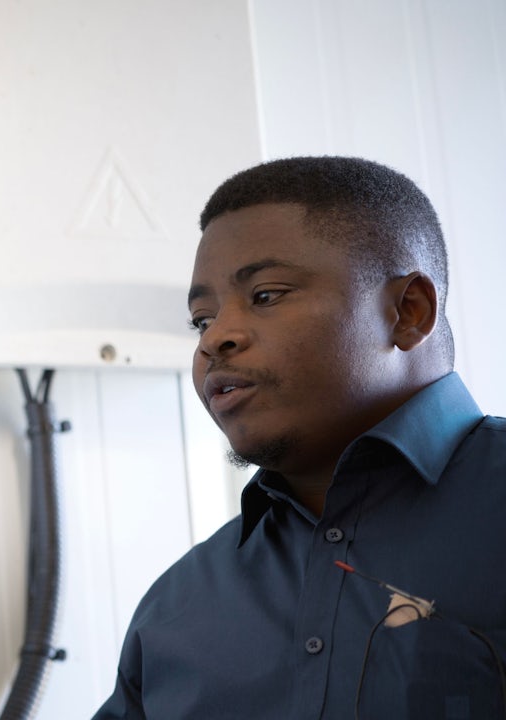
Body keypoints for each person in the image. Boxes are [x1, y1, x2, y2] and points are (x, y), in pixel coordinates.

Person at [93, 156, 506, 719]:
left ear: (408, 312)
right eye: (200, 319)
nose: (216, 339)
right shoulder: (174, 611)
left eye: (265, 295)